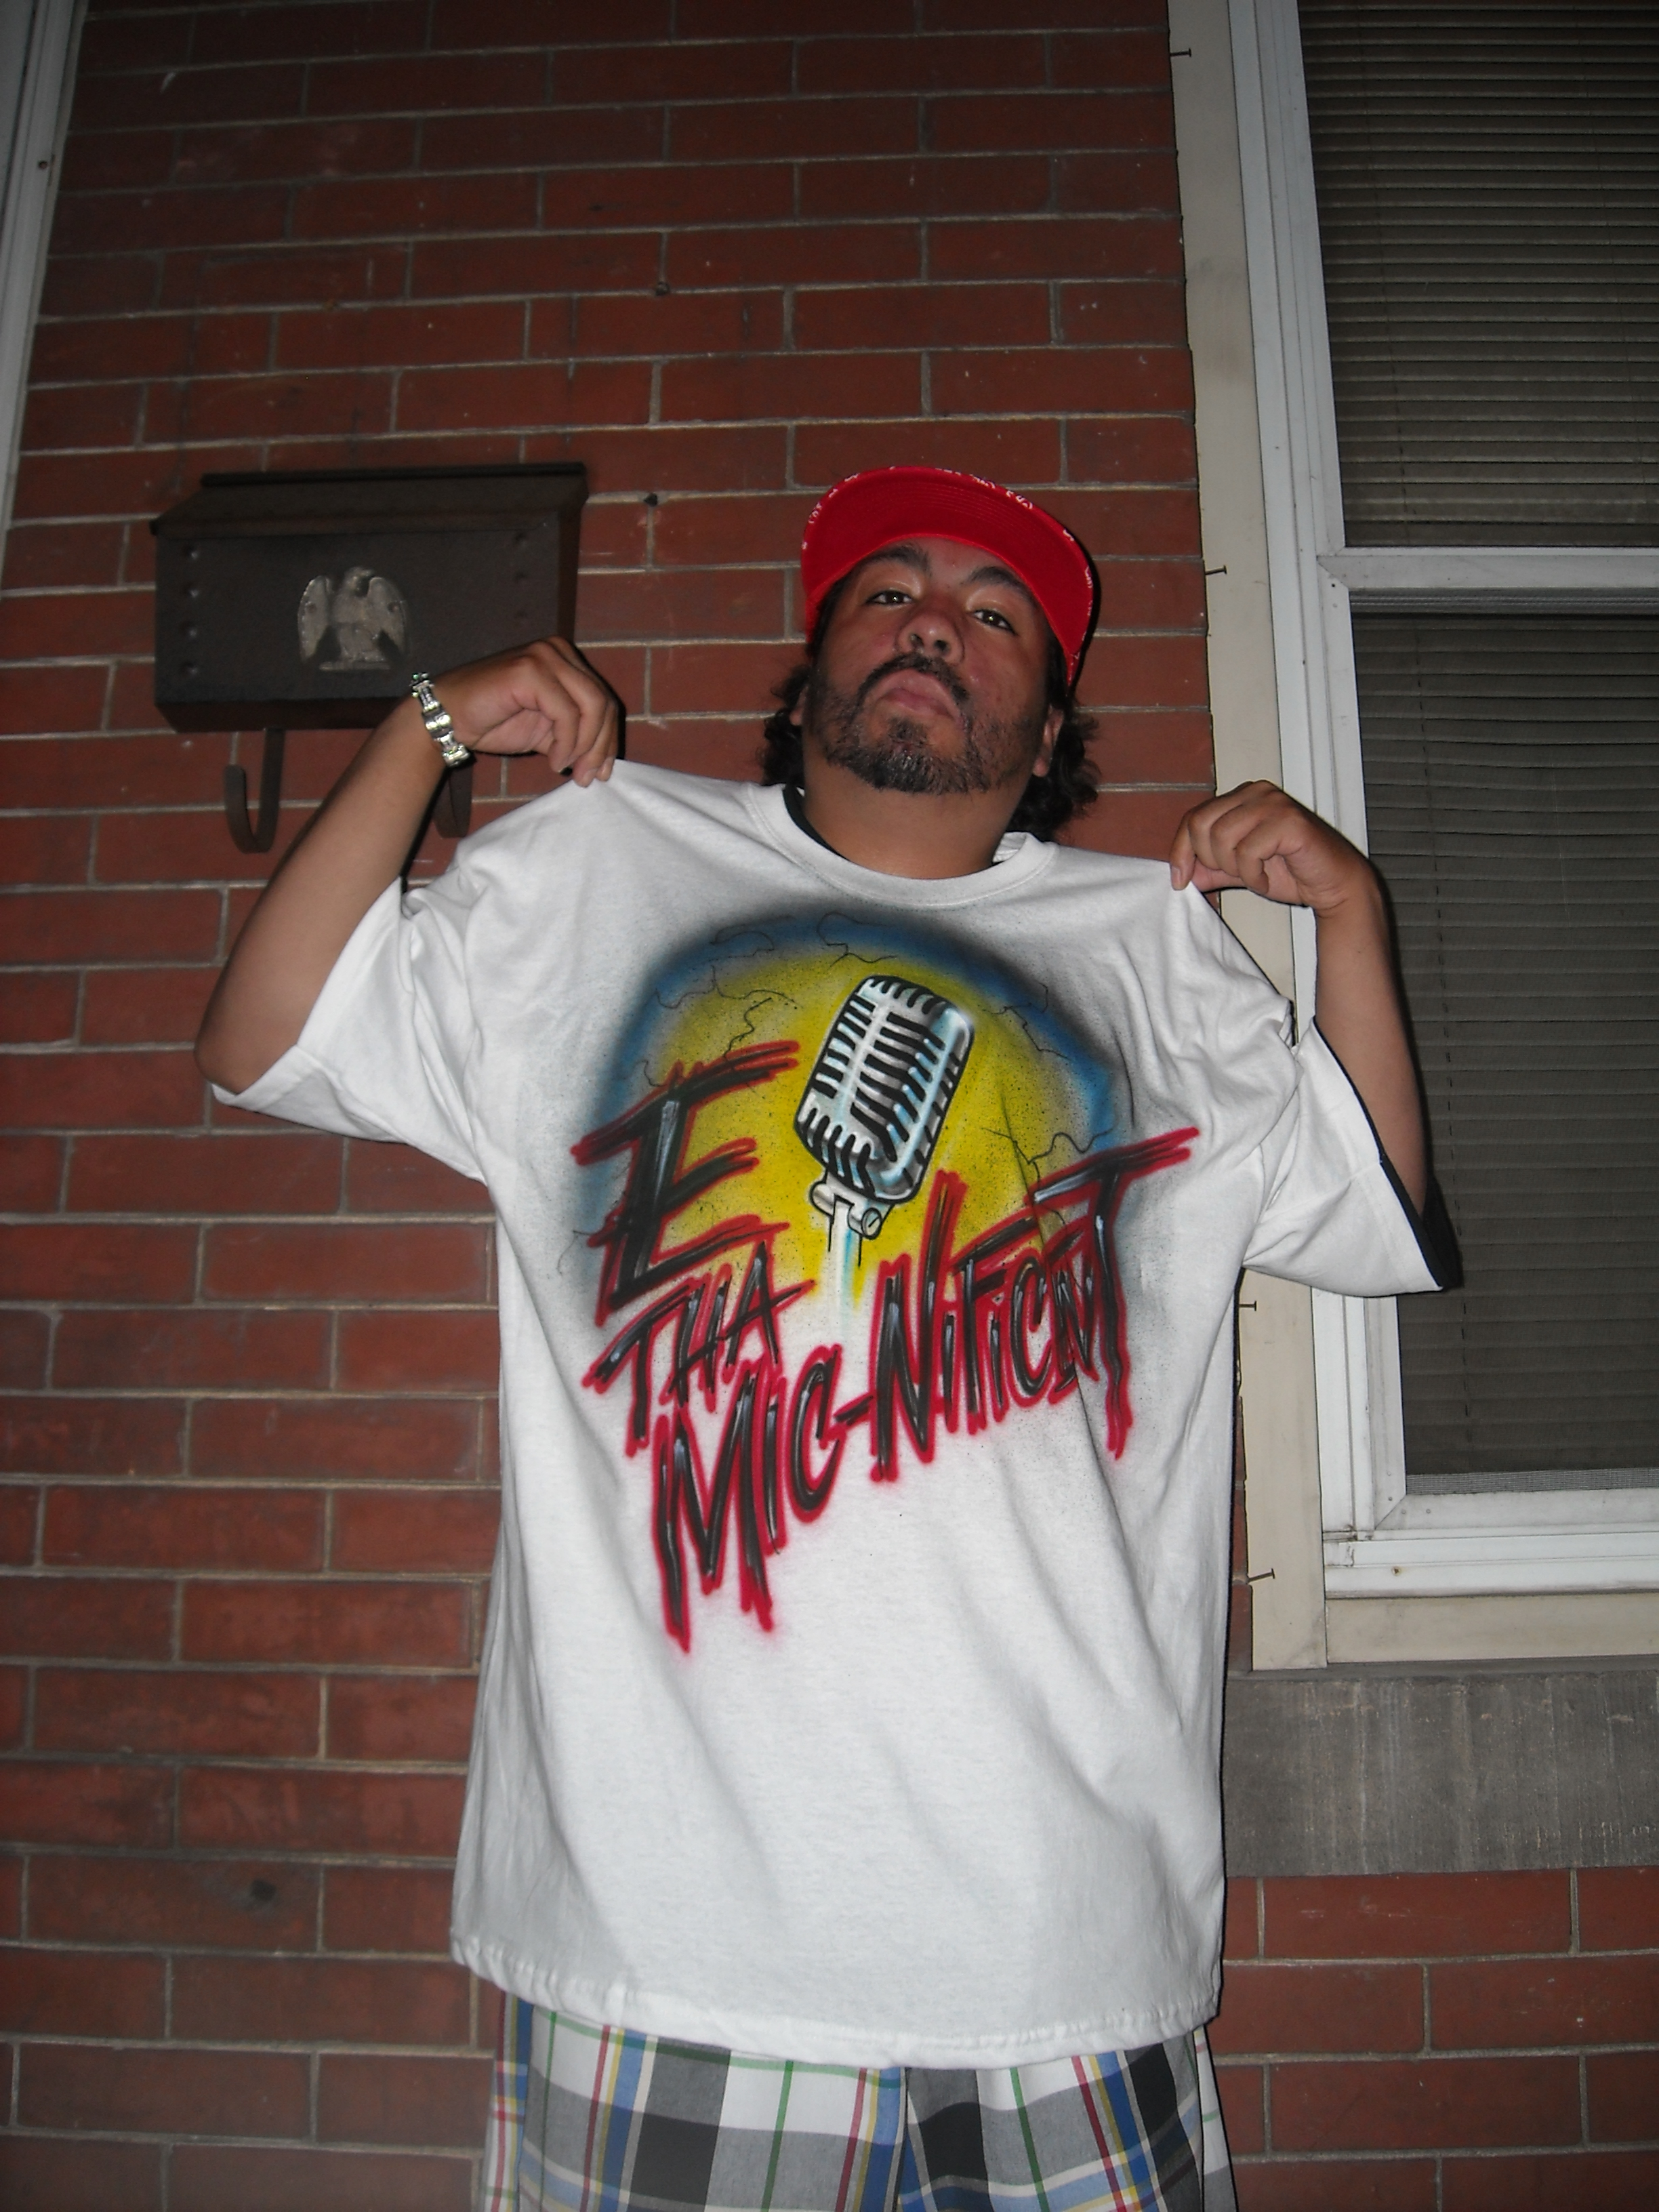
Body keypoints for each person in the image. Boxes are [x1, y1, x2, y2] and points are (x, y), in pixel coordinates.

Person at [197, 467, 1449, 2212]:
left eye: (995, 613)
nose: (935, 621)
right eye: (889, 591)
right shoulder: (591, 868)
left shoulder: (1159, 960)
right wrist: (428, 724)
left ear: (1049, 725)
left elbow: (1379, 1218)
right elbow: (264, 1040)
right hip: (666, 1948)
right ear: (812, 671)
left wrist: (1351, 913)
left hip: (1060, 1944)